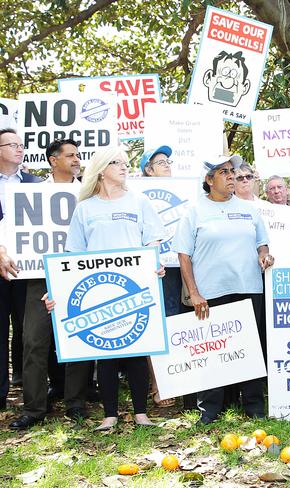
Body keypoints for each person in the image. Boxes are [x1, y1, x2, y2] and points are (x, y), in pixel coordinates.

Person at [51, 146, 166, 431]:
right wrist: (58, 290)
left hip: (134, 287)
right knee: (106, 350)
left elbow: (152, 240)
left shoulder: (139, 202)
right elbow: (73, 255)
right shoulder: (85, 208)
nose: (124, 167)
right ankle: (110, 415)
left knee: (138, 348)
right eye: (117, 163)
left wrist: (153, 264)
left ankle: (141, 414)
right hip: (98, 291)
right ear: (101, 170)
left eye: (125, 163)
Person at [173, 155, 274, 424]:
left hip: (249, 286)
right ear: (209, 180)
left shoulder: (250, 209)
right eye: (224, 172)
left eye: (233, 171)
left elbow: (261, 244)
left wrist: (264, 256)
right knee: (214, 350)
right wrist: (194, 292)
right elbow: (184, 256)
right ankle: (210, 409)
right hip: (211, 292)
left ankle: (254, 406)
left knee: (250, 349)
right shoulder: (194, 211)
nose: (231, 176)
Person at [10, 139, 80, 430]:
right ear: (53, 160)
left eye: (77, 155)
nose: (77, 159)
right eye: (70, 155)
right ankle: (34, 408)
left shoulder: (88, 191)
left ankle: (76, 403)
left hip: (78, 272)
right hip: (39, 275)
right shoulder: (32, 191)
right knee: (34, 341)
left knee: (78, 338)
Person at [0, 129, 41, 411]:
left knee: (29, 335)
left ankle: (33, 397)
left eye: (21, 144)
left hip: (27, 271)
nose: (19, 149)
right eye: (12, 144)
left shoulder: (36, 183)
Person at [140, 145, 181, 408]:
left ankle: (178, 380)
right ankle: (158, 384)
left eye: (169, 161)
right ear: (148, 170)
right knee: (155, 327)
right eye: (161, 162)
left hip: (179, 269)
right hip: (150, 269)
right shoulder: (135, 196)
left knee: (177, 325)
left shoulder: (185, 192)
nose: (167, 165)